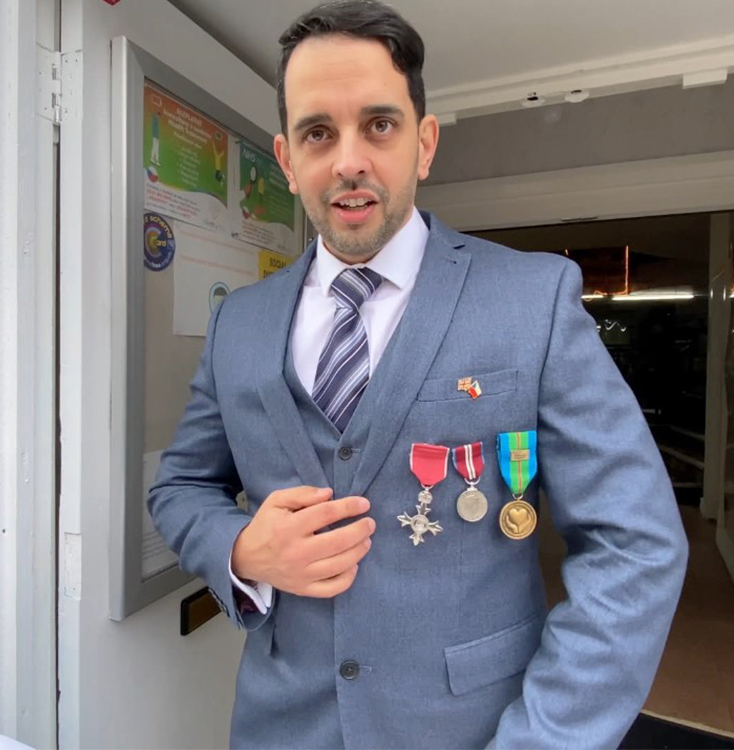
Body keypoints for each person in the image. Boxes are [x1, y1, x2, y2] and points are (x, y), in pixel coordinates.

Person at [148, 1, 688, 747]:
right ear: (286, 158)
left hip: (472, 728)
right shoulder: (238, 321)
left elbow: (637, 545)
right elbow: (179, 487)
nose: (348, 161)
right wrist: (241, 551)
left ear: (424, 142)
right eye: (318, 132)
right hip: (280, 725)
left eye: (378, 125)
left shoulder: (531, 300)